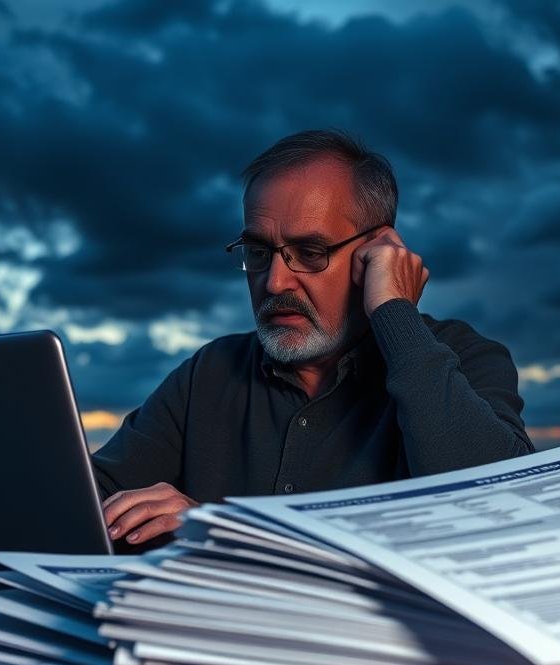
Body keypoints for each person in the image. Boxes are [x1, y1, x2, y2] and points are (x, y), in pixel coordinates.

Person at [93, 129, 533, 550]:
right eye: (259, 252)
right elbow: (84, 502)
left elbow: (497, 511)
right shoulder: (208, 374)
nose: (275, 281)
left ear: (377, 253)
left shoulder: (466, 358)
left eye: (310, 252)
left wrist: (395, 313)